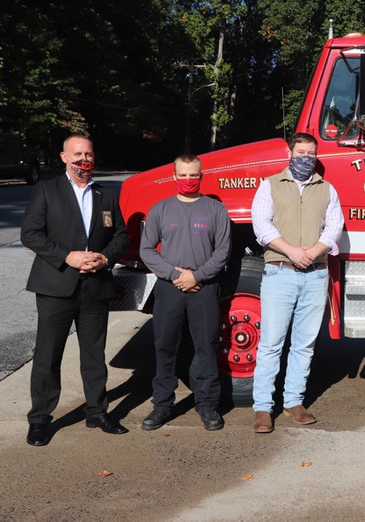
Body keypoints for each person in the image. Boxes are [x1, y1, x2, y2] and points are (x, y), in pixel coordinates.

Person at [20, 134, 129, 446]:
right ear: (64, 157)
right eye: (77, 154)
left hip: (95, 286)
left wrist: (105, 258)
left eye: (89, 154)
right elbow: (30, 233)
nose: (84, 159)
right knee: (48, 355)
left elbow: (121, 235)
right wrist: (66, 256)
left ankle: (97, 412)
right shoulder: (46, 190)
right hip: (56, 285)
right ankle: (40, 419)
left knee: (94, 355)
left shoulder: (105, 194)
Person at [249, 132, 343, 433]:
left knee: (304, 345)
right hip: (280, 272)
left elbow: (335, 227)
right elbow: (261, 226)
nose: (306, 157)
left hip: (315, 274)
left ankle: (293, 402)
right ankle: (263, 408)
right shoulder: (269, 186)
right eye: (300, 152)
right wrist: (291, 251)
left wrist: (314, 252)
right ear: (289, 152)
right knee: (271, 344)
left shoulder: (327, 189)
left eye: (311, 153)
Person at [139, 154, 231, 431]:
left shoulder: (216, 210)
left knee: (206, 347)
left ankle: (208, 406)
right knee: (165, 347)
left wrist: (198, 275)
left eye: (194, 175)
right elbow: (146, 250)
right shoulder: (160, 209)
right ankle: (162, 405)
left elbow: (224, 251)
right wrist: (176, 275)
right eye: (184, 175)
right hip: (170, 289)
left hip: (205, 287)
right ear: (174, 177)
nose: (189, 180)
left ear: (201, 176)